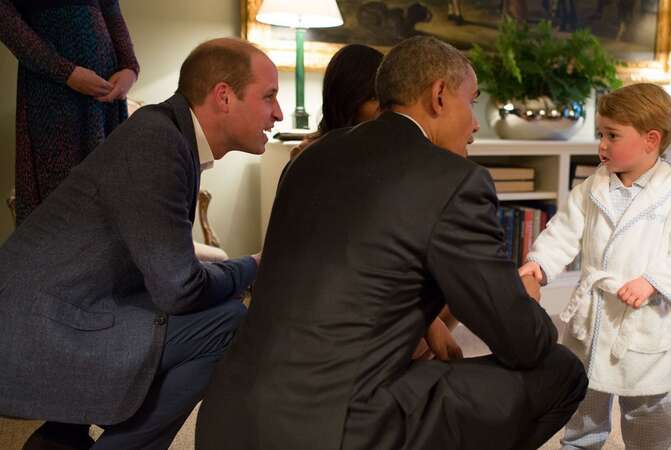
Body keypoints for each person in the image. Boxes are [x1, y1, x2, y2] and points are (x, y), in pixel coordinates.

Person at [196, 35, 587, 450]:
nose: (474, 124)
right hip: (332, 429)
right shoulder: (453, 180)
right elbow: (522, 342)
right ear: (439, 95)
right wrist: (526, 301)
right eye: (471, 102)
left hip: (228, 417)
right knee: (560, 370)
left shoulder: (310, 157)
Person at [0, 37, 283, 450]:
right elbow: (179, 290)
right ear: (224, 96)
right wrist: (254, 265)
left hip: (66, 308)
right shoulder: (158, 142)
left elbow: (165, 273)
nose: (277, 112)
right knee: (228, 324)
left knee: (209, 314)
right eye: (269, 96)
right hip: (41, 327)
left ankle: (57, 440)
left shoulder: (168, 135)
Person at [518, 83, 671, 449]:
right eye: (600, 135)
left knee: (645, 405)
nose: (602, 145)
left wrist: (653, 281)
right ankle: (579, 445)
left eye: (612, 136)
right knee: (584, 397)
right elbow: (563, 230)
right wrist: (540, 263)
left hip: (641, 321)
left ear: (651, 140)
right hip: (592, 317)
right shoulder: (592, 188)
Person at [290, 42, 461, 362]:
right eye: (376, 100)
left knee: (450, 284)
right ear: (349, 101)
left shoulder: (383, 154)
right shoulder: (318, 158)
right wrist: (426, 320)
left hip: (369, 287)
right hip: (330, 297)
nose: (387, 111)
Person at [0, 0, 139, 225]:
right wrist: (65, 72)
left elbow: (110, 9)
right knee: (60, 199)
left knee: (111, 194)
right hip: (52, 92)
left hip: (107, 97)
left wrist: (130, 68)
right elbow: (7, 22)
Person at [289, 43, 384, 159]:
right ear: (348, 98)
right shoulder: (307, 154)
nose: (385, 107)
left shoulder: (391, 150)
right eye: (374, 98)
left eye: (386, 97)